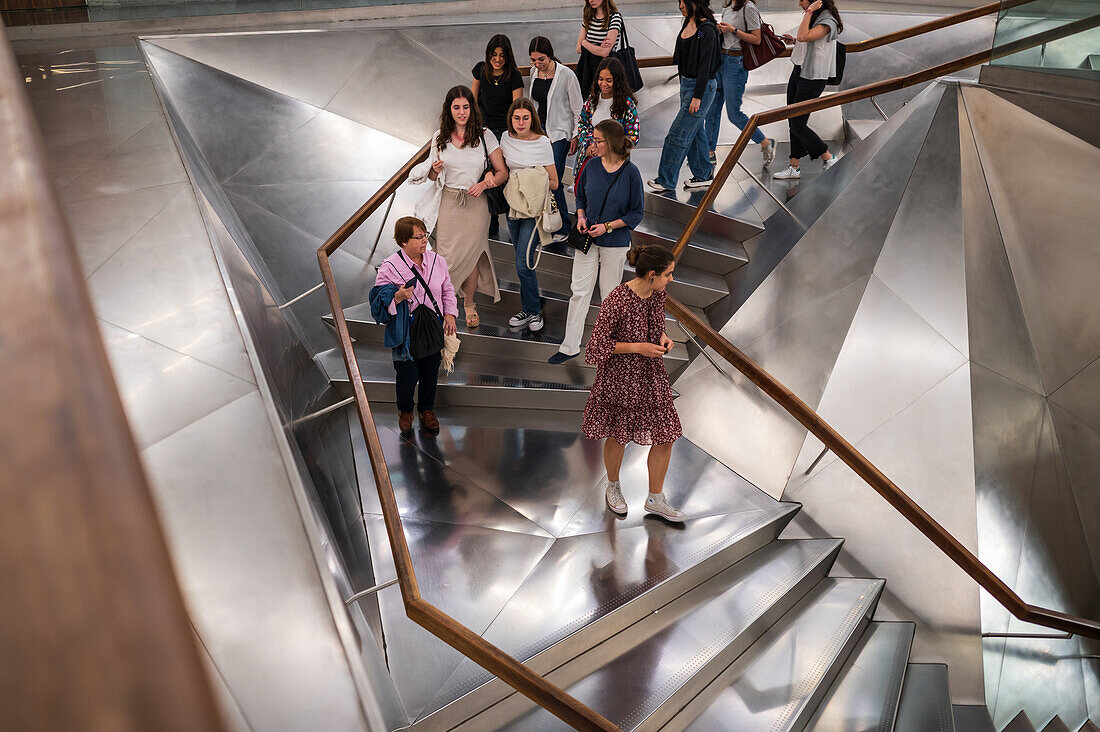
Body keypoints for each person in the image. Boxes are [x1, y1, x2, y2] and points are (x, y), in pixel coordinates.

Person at [581, 244, 685, 522]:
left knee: (667, 435)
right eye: (668, 274)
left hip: (652, 375)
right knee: (618, 435)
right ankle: (612, 487)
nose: (671, 279)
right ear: (652, 274)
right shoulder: (617, 299)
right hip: (620, 379)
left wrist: (662, 336)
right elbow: (595, 347)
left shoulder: (657, 294)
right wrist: (638, 347)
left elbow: (653, 324)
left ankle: (656, 498)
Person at [550, 120, 643, 365]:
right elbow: (580, 195)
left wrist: (608, 226)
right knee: (578, 292)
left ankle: (608, 347)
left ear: (611, 142)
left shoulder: (631, 173)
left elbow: (636, 213)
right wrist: (580, 216)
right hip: (587, 239)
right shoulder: (591, 166)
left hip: (616, 243)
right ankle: (569, 346)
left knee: (610, 296)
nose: (594, 145)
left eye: (598, 140)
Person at [415, 86, 508, 330]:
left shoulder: (485, 135)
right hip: (448, 201)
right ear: (449, 110)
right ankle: (444, 303)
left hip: (476, 203)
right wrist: (434, 171)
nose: (462, 112)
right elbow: (433, 177)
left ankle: (468, 304)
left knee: (473, 255)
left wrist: (486, 183)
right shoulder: (439, 137)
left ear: (472, 108)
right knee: (444, 255)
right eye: (456, 107)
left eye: (466, 107)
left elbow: (502, 172)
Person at [371, 216, 458, 436]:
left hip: (432, 326)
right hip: (406, 332)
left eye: (425, 235)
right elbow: (378, 300)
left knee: (430, 373)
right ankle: (405, 411)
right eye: (418, 237)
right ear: (402, 241)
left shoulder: (438, 261)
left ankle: (426, 410)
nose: (424, 241)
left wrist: (450, 314)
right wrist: (397, 297)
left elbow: (447, 289)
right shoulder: (389, 267)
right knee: (407, 377)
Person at [647, 0, 721, 193]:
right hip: (686, 85)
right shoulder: (687, 23)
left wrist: (697, 96)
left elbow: (706, 66)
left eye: (683, 2)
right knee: (696, 132)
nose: (680, 6)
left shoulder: (708, 30)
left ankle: (666, 180)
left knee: (677, 134)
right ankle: (704, 174)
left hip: (701, 89)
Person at [499, 98, 559, 333]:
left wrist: (528, 180)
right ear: (510, 119)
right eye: (516, 118)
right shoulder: (505, 138)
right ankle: (528, 307)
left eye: (525, 118)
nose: (521, 122)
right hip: (512, 207)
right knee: (521, 261)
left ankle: (533, 311)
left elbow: (554, 182)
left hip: (533, 210)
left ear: (532, 118)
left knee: (523, 263)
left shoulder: (542, 143)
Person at [773, 0, 843, 179]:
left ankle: (828, 156)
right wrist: (794, 40)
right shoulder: (816, 17)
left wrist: (809, 11)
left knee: (797, 123)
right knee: (793, 119)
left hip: (813, 77)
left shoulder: (828, 21)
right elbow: (806, 40)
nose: (799, 4)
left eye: (802, 1)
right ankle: (794, 167)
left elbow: (805, 36)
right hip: (800, 71)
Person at [704, 0, 776, 167]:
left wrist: (733, 30)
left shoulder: (748, 8)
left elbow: (756, 39)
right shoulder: (728, 6)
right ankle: (709, 152)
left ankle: (765, 142)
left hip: (735, 63)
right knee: (712, 109)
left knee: (734, 114)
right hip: (721, 59)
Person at [528, 36, 583, 244]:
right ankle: (548, 221)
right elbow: (533, 103)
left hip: (559, 134)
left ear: (550, 55)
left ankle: (565, 226)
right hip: (539, 134)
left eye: (541, 59)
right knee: (541, 180)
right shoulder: (535, 73)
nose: (537, 64)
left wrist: (576, 135)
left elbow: (578, 108)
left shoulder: (566, 75)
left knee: (554, 181)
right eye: (533, 60)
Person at [471, 35, 523, 236]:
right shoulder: (480, 70)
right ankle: (490, 227)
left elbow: (516, 107)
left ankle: (513, 226)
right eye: (494, 55)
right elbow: (473, 99)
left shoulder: (514, 75)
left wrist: (511, 135)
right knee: (486, 175)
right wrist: (476, 126)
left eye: (502, 55)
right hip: (484, 131)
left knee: (504, 177)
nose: (498, 59)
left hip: (504, 133)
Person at [575, 57, 640, 178]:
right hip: (590, 159)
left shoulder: (627, 104)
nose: (603, 84)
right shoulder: (592, 99)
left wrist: (607, 149)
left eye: (609, 80)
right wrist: (590, 144)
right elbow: (582, 123)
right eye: (600, 79)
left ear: (617, 81)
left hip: (615, 164)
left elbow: (633, 135)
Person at [576, 0, 625, 99]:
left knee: (608, 101)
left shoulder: (615, 17)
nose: (591, 1)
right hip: (587, 68)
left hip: (607, 69)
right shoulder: (588, 17)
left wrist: (585, 43)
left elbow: (604, 52)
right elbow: (578, 49)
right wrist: (594, 47)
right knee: (589, 103)